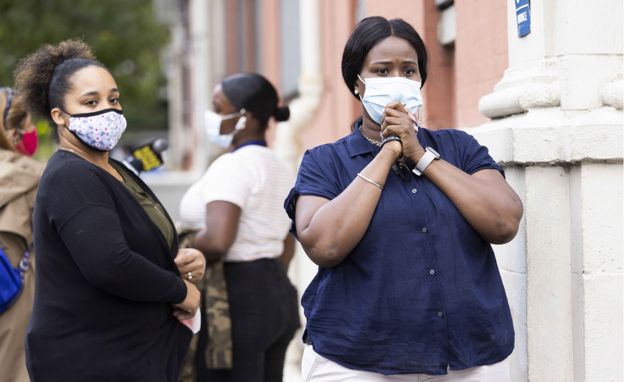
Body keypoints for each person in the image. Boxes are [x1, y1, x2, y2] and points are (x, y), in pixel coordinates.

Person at [284, 16, 524, 381]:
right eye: (381, 71)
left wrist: (422, 156)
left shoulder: (459, 149)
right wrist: (388, 152)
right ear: (357, 83)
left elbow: (504, 222)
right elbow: (325, 245)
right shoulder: (325, 161)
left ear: (421, 79)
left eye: (409, 70)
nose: (397, 80)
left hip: (465, 358)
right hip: (356, 359)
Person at [14, 39, 205, 381]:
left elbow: (131, 242)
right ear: (59, 116)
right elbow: (110, 264)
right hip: (91, 359)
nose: (108, 110)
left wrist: (181, 262)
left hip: (133, 353)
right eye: (91, 102)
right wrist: (181, 292)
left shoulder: (116, 170)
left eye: (113, 99)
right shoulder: (71, 176)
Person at [178, 72, 300, 382]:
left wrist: (178, 250)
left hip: (235, 299)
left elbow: (219, 240)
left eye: (219, 109)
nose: (213, 117)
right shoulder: (281, 167)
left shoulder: (233, 166)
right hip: (276, 292)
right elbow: (288, 242)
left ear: (244, 117)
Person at [0, 86, 44, 382]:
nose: (32, 132)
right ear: (12, 132)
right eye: (28, 125)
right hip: (17, 309)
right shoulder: (36, 177)